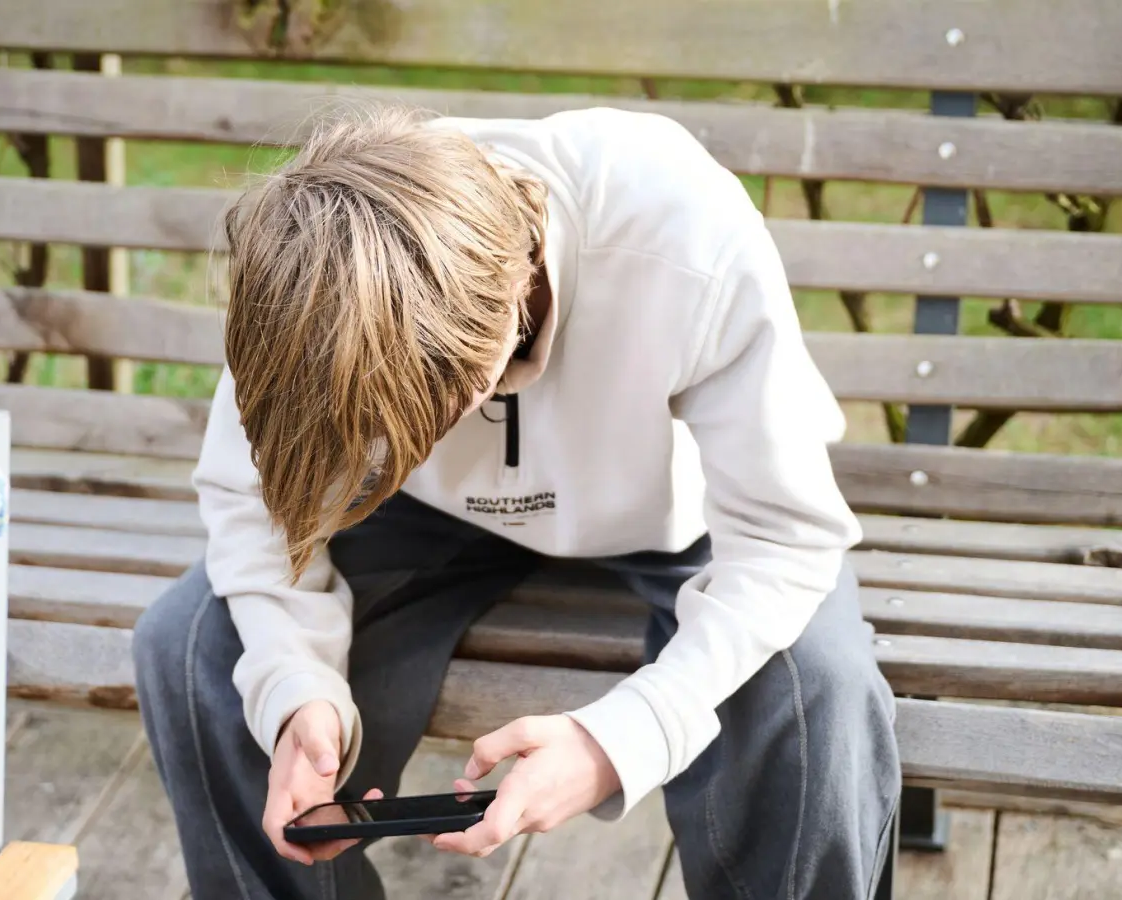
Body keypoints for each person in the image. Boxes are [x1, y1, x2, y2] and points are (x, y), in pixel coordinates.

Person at [132, 105, 900, 900]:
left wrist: (617, 741)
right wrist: (294, 693)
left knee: (817, 686)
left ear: (488, 359)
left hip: (676, 512)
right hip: (416, 511)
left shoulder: (684, 231)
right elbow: (254, 499)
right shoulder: (313, 276)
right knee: (194, 649)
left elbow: (785, 538)